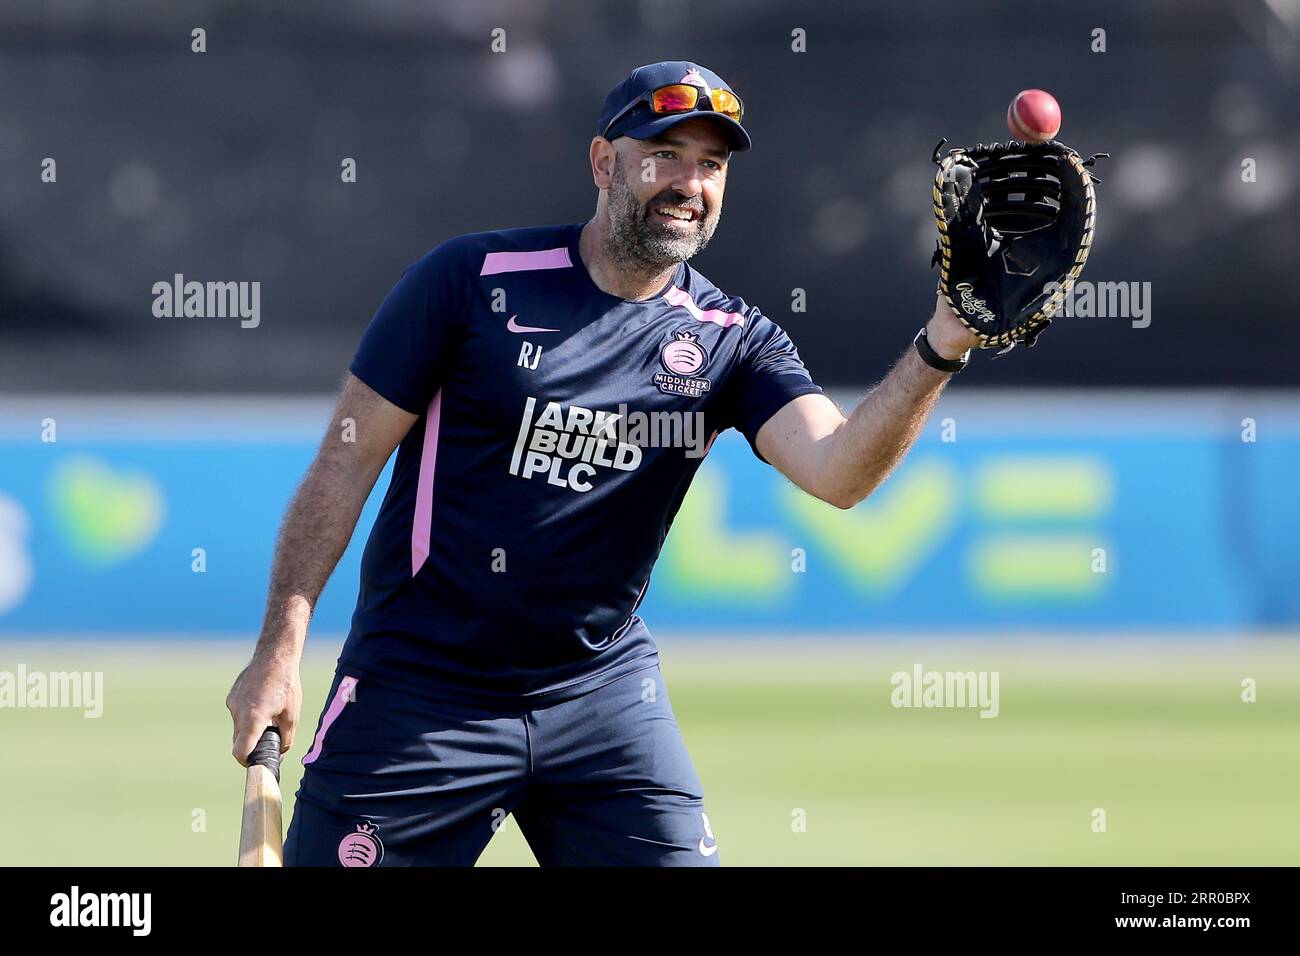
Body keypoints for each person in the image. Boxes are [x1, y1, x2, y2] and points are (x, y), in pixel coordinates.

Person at [226, 60, 979, 866]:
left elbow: (839, 472)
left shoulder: (733, 337)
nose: (690, 182)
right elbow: (344, 468)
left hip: (600, 697)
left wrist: (944, 341)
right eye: (665, 154)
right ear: (602, 161)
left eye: (712, 164)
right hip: (419, 691)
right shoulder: (468, 282)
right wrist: (278, 649)